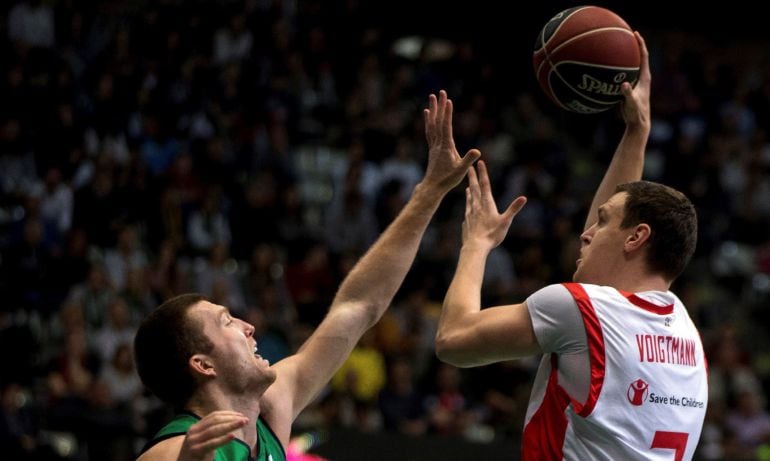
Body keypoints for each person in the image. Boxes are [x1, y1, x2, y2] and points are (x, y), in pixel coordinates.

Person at [133, 90, 479, 461]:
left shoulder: (272, 409)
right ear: (203, 365)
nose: (248, 325)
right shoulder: (172, 451)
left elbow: (357, 305)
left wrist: (430, 192)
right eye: (227, 321)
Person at [435, 33, 708, 460]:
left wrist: (476, 244)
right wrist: (637, 132)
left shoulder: (580, 310)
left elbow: (453, 340)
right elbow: (606, 262)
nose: (585, 232)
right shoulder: (686, 335)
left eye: (601, 223)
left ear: (636, 238)